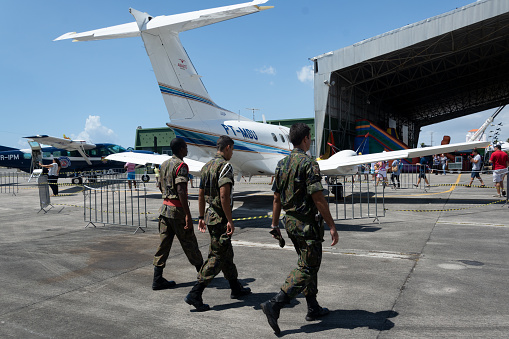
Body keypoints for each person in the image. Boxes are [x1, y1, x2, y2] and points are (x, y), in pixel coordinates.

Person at [260, 123, 339, 335]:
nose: (311, 141)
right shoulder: (309, 163)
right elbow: (318, 197)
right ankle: (275, 304)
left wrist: (275, 224)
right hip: (307, 225)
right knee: (308, 267)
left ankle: (312, 306)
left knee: (306, 263)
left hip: (291, 224)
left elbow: (276, 197)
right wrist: (332, 225)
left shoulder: (281, 164)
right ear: (305, 139)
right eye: (310, 138)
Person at [184, 135, 251, 311]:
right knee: (217, 257)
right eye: (233, 149)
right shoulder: (225, 166)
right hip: (220, 218)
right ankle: (195, 293)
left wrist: (200, 217)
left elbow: (200, 194)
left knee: (226, 254)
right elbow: (224, 196)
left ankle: (236, 288)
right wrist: (230, 220)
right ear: (228, 147)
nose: (232, 153)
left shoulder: (207, 167)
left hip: (210, 216)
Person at [152, 138, 204, 291]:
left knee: (163, 245)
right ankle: (203, 276)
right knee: (190, 244)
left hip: (165, 210)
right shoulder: (181, 165)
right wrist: (187, 214)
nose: (187, 150)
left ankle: (157, 279)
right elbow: (181, 190)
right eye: (186, 147)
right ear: (181, 149)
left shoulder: (164, 164)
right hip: (177, 212)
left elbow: (160, 185)